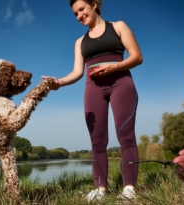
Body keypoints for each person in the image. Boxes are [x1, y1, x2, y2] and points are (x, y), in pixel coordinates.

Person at [42, 0, 142, 201]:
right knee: (97, 141)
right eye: (75, 14)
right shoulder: (80, 42)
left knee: (126, 136)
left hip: (121, 84)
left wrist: (114, 67)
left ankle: (129, 189)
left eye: (82, 9)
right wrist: (59, 82)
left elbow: (137, 57)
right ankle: (100, 190)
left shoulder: (118, 26)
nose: (79, 15)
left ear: (94, 4)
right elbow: (78, 72)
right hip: (93, 89)